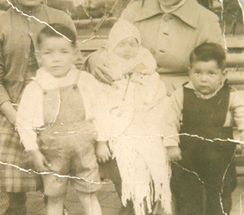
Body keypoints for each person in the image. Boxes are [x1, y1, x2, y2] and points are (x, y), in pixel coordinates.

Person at [0, 1, 76, 214]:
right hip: (13, 109)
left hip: (56, 108)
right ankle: (16, 204)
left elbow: (73, 65)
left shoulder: (61, 19)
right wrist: (16, 117)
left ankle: (53, 201)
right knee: (7, 148)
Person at [16, 23, 107, 215]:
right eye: (49, 53)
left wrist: (102, 142)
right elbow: (23, 123)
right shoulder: (36, 88)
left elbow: (102, 112)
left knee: (89, 194)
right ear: (39, 56)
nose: (56, 59)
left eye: (64, 52)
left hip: (85, 149)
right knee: (54, 196)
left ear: (75, 54)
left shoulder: (85, 81)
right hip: (52, 152)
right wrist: (34, 152)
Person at [96, 19, 171, 215]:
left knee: (153, 153)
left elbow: (157, 95)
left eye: (133, 44)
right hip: (119, 126)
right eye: (122, 44)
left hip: (145, 122)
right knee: (126, 157)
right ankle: (132, 202)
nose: (128, 49)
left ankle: (151, 203)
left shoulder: (147, 70)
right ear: (112, 46)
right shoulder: (108, 71)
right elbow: (102, 105)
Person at [163, 43, 244, 215]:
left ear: (223, 74)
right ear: (189, 72)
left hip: (220, 156)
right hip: (189, 155)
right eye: (197, 72)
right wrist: (171, 145)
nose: (203, 79)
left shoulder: (230, 95)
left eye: (211, 73)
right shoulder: (181, 94)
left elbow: (242, 116)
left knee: (220, 194)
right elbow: (169, 120)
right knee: (188, 194)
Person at [87, 0, 225, 95]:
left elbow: (216, 69)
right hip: (130, 91)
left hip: (179, 96)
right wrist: (94, 59)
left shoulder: (207, 20)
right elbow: (112, 45)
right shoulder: (134, 10)